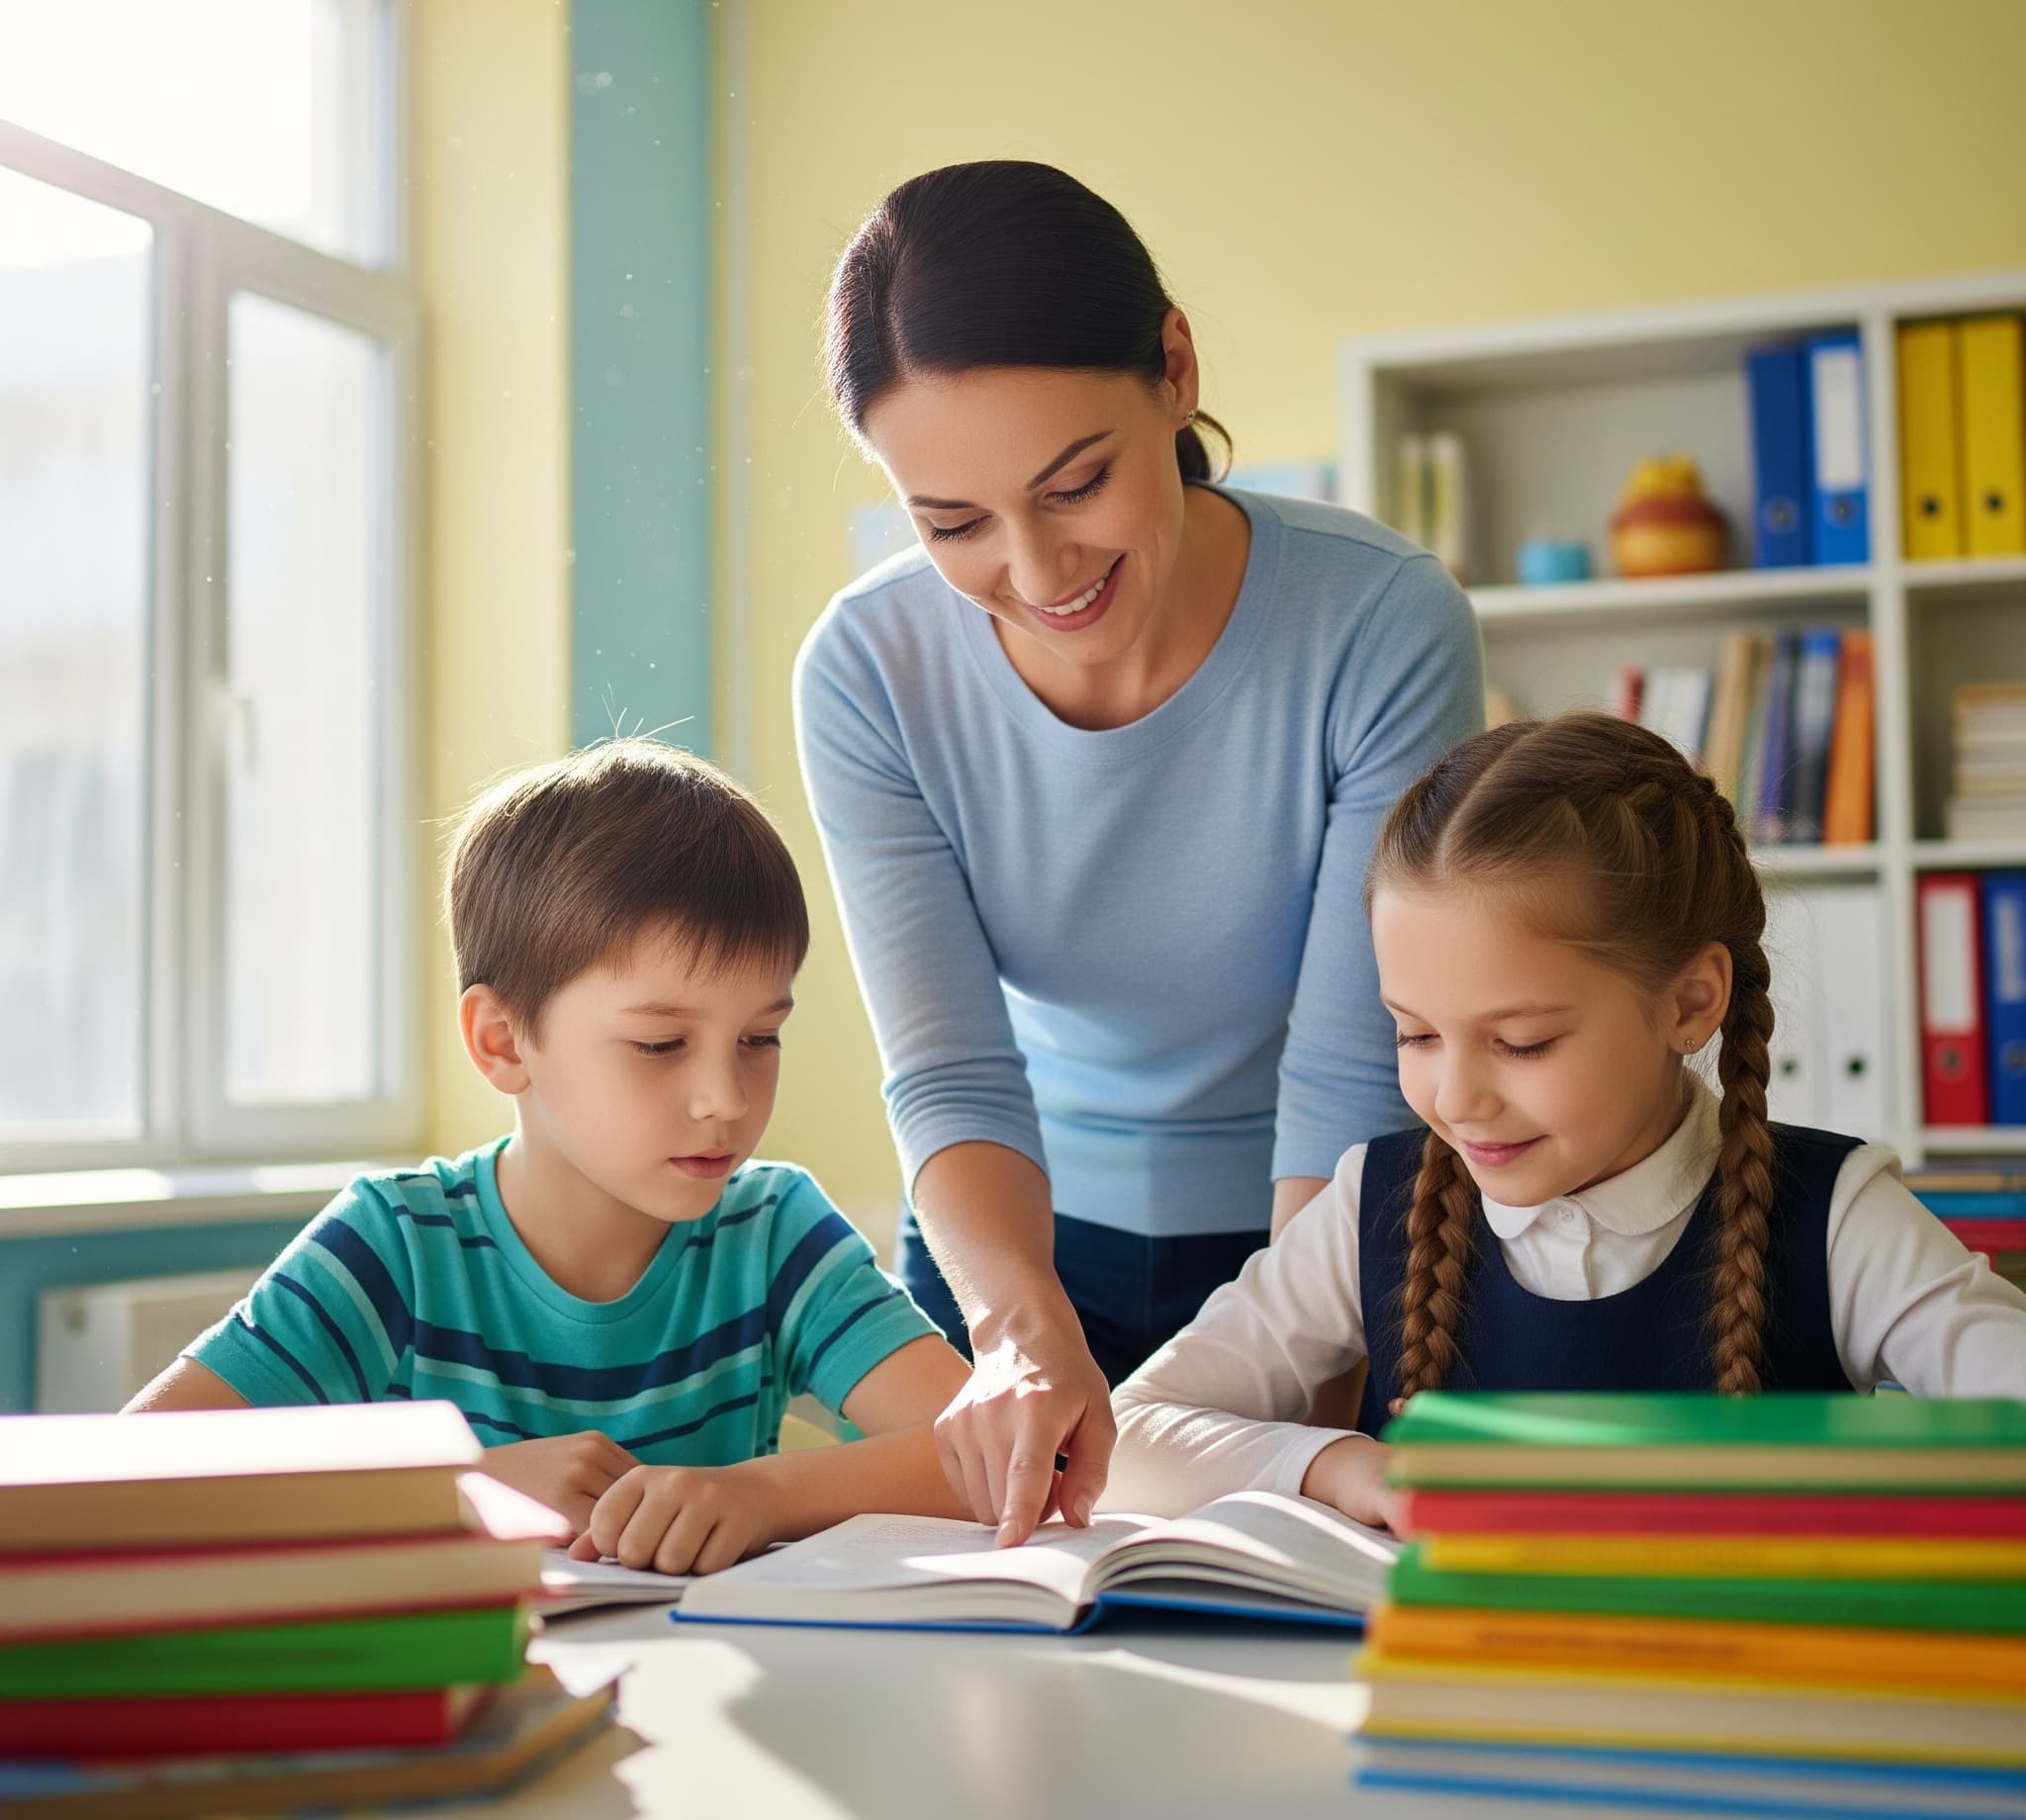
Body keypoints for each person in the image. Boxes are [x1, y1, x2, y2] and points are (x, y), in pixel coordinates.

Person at [794, 159, 1484, 1546]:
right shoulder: (867, 672)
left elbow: (1349, 1070)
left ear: (1173, 369)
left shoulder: (1378, 621)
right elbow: (950, 1070)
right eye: (952, 524)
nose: (1038, 571)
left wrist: (1303, 1390)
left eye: (1075, 484)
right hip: (1016, 1254)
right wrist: (1018, 1327)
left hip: (1316, 1242)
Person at [1104, 713, 2026, 1523]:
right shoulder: (1372, 1203)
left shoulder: (1834, 1216)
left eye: (1523, 1043)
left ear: (1690, 1003)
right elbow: (1126, 1435)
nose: (1456, 1100)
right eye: (1416, 1034)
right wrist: (1346, 1469)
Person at [127, 740, 971, 1575]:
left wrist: (763, 1495)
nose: (727, 1097)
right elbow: (133, 1476)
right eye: (660, 1043)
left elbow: (993, 1454)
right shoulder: (396, 1244)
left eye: (760, 1038)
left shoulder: (774, 1231)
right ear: (503, 1041)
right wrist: (462, 1486)